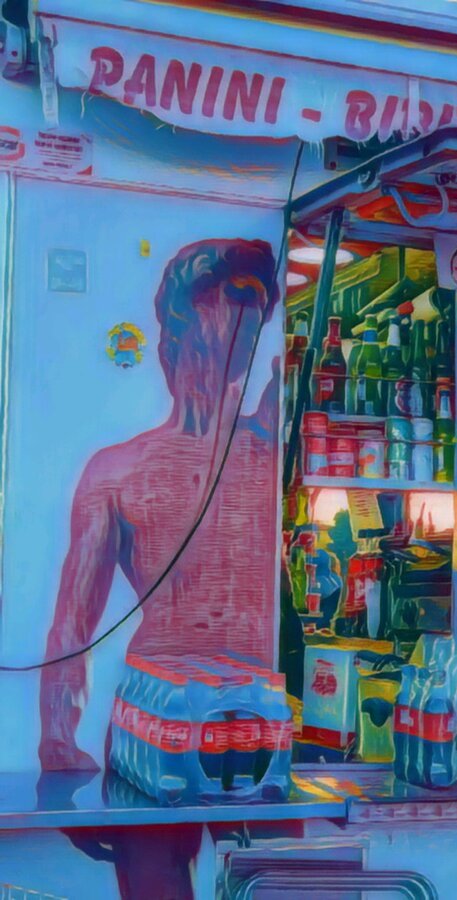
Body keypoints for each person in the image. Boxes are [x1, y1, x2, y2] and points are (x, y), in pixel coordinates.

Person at [39, 238, 280, 772]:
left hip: (258, 721)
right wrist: (56, 738)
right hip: (157, 719)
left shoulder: (272, 443)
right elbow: (72, 627)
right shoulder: (116, 472)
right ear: (178, 329)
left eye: (256, 310)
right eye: (234, 300)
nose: (248, 323)